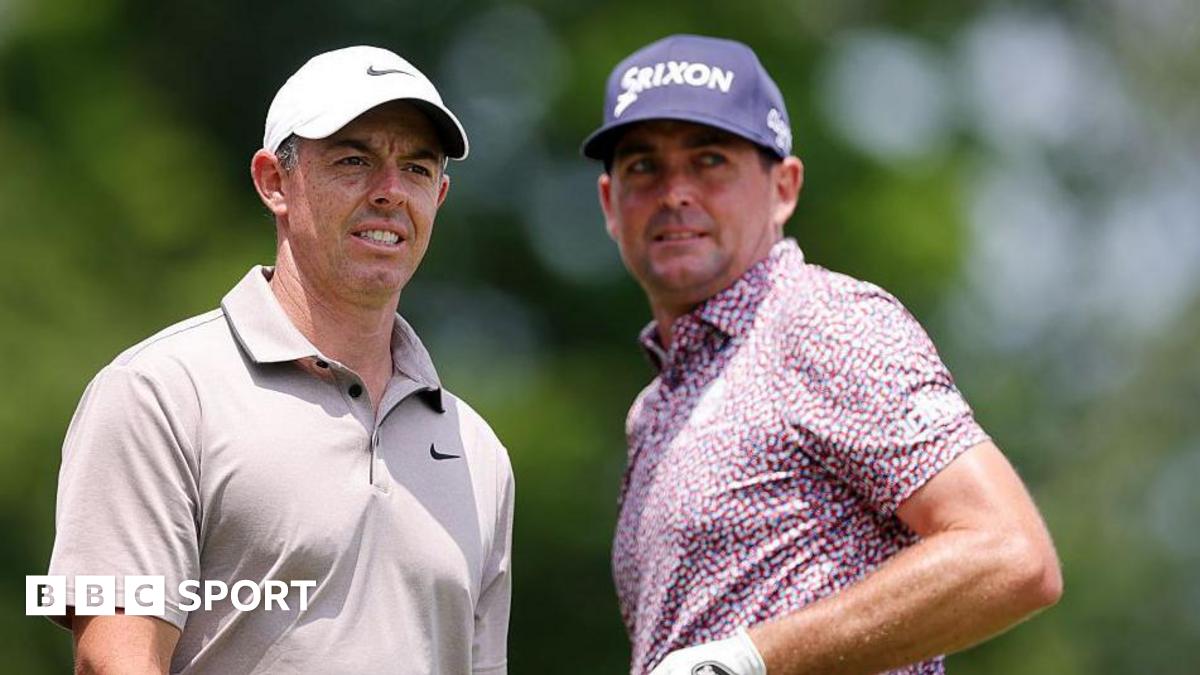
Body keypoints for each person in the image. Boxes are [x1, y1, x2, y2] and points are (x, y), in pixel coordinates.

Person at [582, 34, 1061, 675]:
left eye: (710, 160)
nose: (675, 193)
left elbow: (1009, 553)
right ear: (610, 204)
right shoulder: (655, 408)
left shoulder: (821, 321)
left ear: (783, 187)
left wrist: (746, 662)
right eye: (644, 167)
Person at [47, 45, 514, 674]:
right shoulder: (158, 394)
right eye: (354, 161)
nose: (390, 192)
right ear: (274, 182)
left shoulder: (477, 451)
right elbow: (116, 662)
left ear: (440, 195)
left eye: (417, 168)